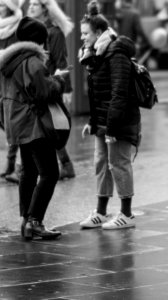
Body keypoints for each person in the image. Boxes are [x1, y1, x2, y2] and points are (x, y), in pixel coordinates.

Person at [0, 16, 69, 239]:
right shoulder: (33, 61)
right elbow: (43, 92)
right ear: (39, 40)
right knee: (50, 173)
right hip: (34, 124)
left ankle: (25, 221)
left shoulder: (8, 63)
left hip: (16, 123)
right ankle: (35, 221)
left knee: (28, 171)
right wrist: (59, 81)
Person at [78, 1, 141, 230]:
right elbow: (98, 94)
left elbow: (119, 93)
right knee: (101, 164)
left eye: (85, 33)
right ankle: (102, 212)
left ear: (98, 33)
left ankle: (127, 214)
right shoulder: (96, 54)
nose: (82, 38)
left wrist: (112, 129)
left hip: (120, 121)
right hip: (104, 120)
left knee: (119, 164)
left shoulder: (115, 53)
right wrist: (93, 122)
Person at [27, 0, 76, 180]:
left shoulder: (54, 32)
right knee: (44, 125)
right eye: (30, 4)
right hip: (35, 84)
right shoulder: (29, 30)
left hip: (49, 84)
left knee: (51, 125)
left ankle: (64, 165)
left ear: (45, 10)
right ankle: (64, 165)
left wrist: (67, 89)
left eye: (35, 4)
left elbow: (62, 62)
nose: (30, 7)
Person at [0, 0, 23, 183]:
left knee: (12, 122)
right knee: (6, 122)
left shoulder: (18, 27)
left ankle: (13, 166)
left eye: (2, 5)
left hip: (11, 80)